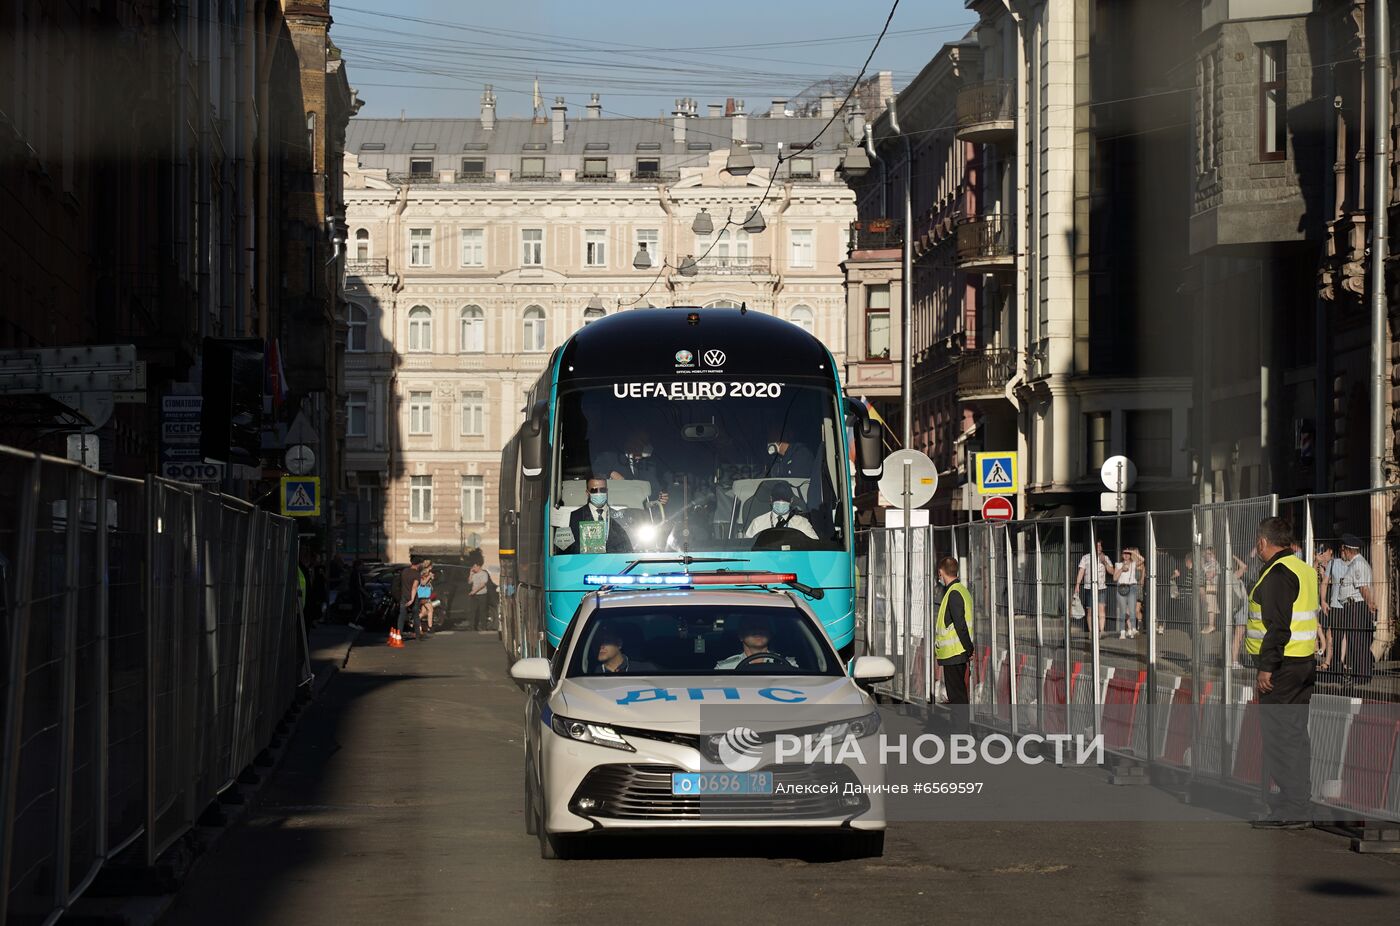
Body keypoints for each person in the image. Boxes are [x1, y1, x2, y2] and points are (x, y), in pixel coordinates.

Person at [1246, 516, 1318, 829]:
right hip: (1302, 663)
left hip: (1282, 668)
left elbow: (1278, 626)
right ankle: (1297, 803)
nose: (1257, 549)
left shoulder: (1277, 573)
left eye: (1257, 544)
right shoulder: (1304, 568)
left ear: (1264, 542)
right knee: (1295, 735)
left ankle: (1294, 807)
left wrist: (1266, 668)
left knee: (1279, 737)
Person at [933, 558, 974, 722]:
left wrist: (969, 649)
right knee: (958, 694)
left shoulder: (953, 593)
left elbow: (960, 624)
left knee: (956, 695)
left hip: (955, 653)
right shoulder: (960, 590)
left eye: (939, 573)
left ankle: (961, 732)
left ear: (941, 572)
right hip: (957, 652)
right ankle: (961, 730)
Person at [1334, 534, 1378, 687]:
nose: (1341, 552)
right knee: (1355, 641)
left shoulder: (1358, 564)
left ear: (1347, 550)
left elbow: (1363, 588)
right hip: (1352, 607)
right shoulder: (1354, 564)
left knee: (1358, 641)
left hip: (1356, 607)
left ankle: (1362, 676)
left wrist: (1370, 605)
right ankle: (1360, 674)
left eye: (1342, 549)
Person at [560, 476, 633, 554]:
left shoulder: (619, 518)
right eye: (594, 490)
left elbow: (628, 549)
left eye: (602, 490)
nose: (599, 493)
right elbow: (563, 549)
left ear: (607, 491)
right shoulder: (573, 517)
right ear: (587, 493)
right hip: (584, 564)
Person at [602, 433, 670, 506]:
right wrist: (610, 473)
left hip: (643, 514)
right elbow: (594, 473)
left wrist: (661, 498)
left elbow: (658, 489)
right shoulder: (609, 458)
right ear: (629, 441)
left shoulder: (651, 465)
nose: (645, 445)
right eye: (641, 441)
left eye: (646, 442)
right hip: (616, 512)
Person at [715, 615, 798, 669]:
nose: (758, 631)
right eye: (752, 627)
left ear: (770, 634)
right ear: (741, 636)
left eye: (762, 627)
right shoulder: (726, 667)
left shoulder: (787, 665)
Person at [743, 482, 817, 539]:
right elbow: (747, 549)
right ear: (771, 499)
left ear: (791, 500)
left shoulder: (802, 523)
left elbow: (815, 546)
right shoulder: (757, 523)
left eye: (785, 499)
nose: (781, 501)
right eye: (777, 498)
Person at [1074, 541, 1113, 635]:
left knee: (1101, 609)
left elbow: (1112, 571)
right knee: (1090, 610)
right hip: (1089, 587)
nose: (1099, 547)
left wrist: (1104, 562)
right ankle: (1091, 632)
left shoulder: (1105, 557)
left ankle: (1102, 630)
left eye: (1100, 545)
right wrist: (1077, 584)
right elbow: (1081, 571)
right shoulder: (1086, 557)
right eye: (1097, 545)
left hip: (1101, 587)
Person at [1114, 548, 1145, 639]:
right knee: (1123, 610)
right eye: (1124, 553)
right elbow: (1115, 578)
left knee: (1132, 610)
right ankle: (1123, 632)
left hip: (1132, 587)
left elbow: (1143, 559)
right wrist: (1121, 570)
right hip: (1122, 587)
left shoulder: (1133, 564)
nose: (1126, 555)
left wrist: (1132, 552)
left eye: (1128, 554)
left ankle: (1133, 628)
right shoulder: (1118, 564)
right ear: (1122, 555)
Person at [1200, 545, 1221, 634]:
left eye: (1209, 554)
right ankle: (1210, 625)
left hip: (1211, 586)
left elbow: (1210, 575)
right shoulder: (1208, 563)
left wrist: (1203, 569)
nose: (1207, 556)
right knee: (1210, 606)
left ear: (1213, 554)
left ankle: (1211, 625)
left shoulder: (1215, 563)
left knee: (1211, 607)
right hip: (1208, 586)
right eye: (1206, 554)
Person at [467, 560, 490, 630]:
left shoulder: (484, 573)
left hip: (482, 594)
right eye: (473, 567)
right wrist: (470, 574)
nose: (473, 568)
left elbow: (482, 585)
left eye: (475, 567)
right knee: (473, 611)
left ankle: (484, 627)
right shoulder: (474, 574)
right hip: (474, 595)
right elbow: (469, 582)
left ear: (479, 566)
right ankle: (472, 627)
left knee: (482, 611)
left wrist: (474, 591)